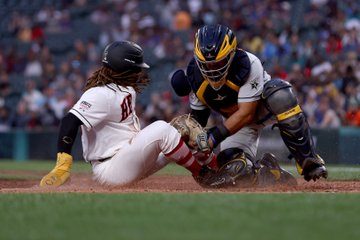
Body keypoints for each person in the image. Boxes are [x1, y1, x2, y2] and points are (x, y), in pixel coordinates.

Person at [40, 40, 216, 187]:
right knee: (163, 129)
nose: (139, 72)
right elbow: (69, 122)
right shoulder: (100, 93)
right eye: (136, 68)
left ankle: (218, 169)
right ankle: (204, 175)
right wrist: (63, 165)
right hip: (110, 169)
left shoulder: (125, 89)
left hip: (127, 161)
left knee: (180, 131)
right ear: (124, 68)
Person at [171, 24, 328, 183]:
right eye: (207, 65)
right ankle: (271, 173)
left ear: (232, 54)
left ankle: (308, 160)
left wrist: (212, 138)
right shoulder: (194, 76)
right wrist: (189, 138)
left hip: (264, 107)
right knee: (232, 170)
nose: (212, 70)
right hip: (236, 123)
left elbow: (247, 113)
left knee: (280, 94)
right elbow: (198, 120)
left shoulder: (249, 63)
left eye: (218, 63)